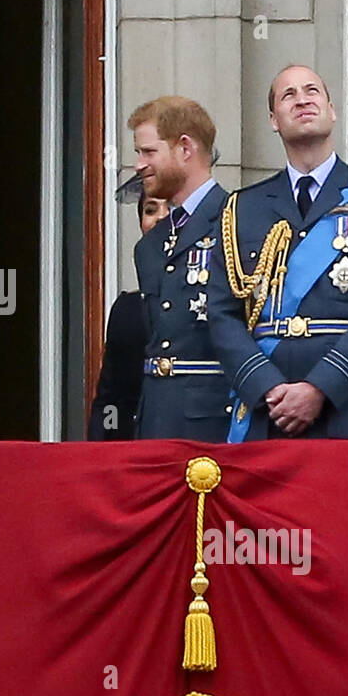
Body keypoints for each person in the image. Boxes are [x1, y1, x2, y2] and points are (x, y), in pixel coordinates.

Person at [206, 64, 348, 440]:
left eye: (312, 91)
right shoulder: (241, 209)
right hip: (267, 411)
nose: (301, 99)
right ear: (273, 120)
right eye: (288, 95)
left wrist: (320, 388)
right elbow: (222, 314)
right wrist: (267, 387)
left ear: (331, 110)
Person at [127, 96, 233, 442]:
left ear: (185, 148)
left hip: (214, 422)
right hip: (155, 418)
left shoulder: (239, 222)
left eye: (148, 152)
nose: (139, 165)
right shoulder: (151, 244)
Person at [88, 193, 171, 440]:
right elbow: (109, 401)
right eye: (150, 210)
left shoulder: (218, 299)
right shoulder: (126, 309)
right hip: (130, 451)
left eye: (172, 207)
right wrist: (103, 448)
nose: (161, 217)